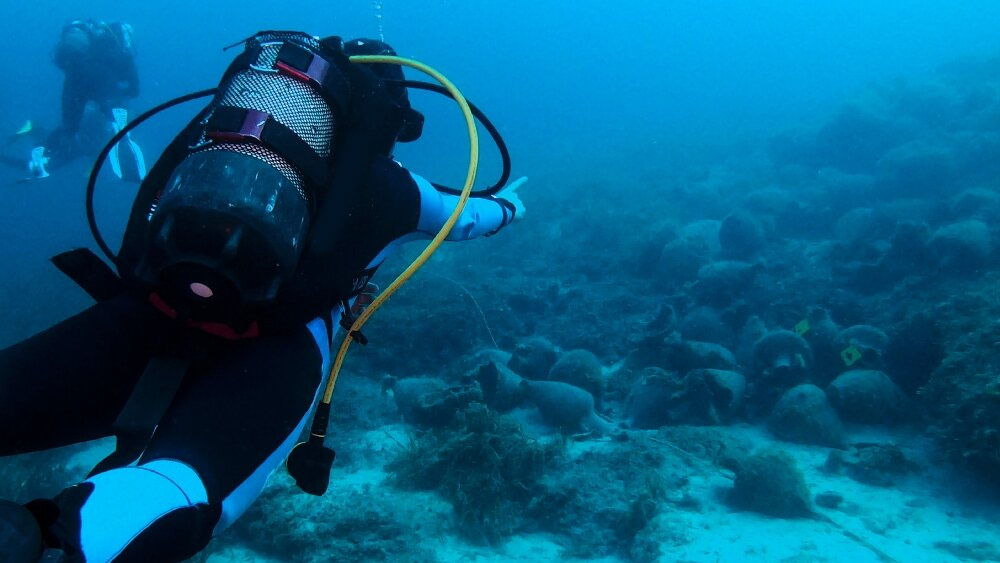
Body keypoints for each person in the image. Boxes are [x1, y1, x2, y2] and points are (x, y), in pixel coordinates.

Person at [0, 31, 524, 562]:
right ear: (383, 118)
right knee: (181, 487)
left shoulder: (216, 137)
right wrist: (511, 206)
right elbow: (470, 218)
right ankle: (50, 540)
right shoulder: (397, 188)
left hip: (150, 312)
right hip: (279, 348)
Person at [28, 19, 145, 181]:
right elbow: (134, 89)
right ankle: (129, 166)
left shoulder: (87, 53)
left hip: (76, 80)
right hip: (101, 84)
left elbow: (71, 104)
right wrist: (124, 94)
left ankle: (41, 150)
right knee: (113, 119)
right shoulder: (115, 50)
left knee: (70, 126)